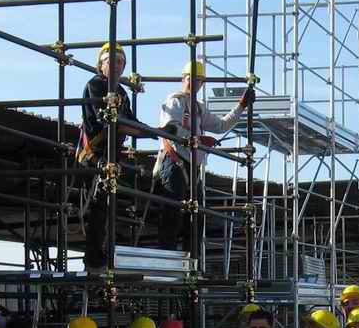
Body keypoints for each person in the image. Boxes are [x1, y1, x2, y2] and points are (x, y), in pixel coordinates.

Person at [153, 60, 254, 251]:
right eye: (192, 79)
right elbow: (170, 128)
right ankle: (166, 261)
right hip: (174, 163)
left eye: (199, 80)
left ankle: (192, 263)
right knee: (172, 215)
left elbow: (220, 126)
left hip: (192, 168)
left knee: (195, 218)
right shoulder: (176, 101)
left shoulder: (198, 108)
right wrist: (198, 139)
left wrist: (241, 106)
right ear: (184, 79)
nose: (195, 83)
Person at [78, 43, 132, 270]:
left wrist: (153, 132)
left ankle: (104, 254)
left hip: (112, 153)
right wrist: (130, 126)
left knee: (110, 205)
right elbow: (106, 119)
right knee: (99, 205)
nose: (116, 65)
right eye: (111, 60)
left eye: (120, 61)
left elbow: (129, 122)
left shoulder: (121, 92)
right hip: (94, 153)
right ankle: (94, 259)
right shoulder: (96, 85)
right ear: (101, 64)